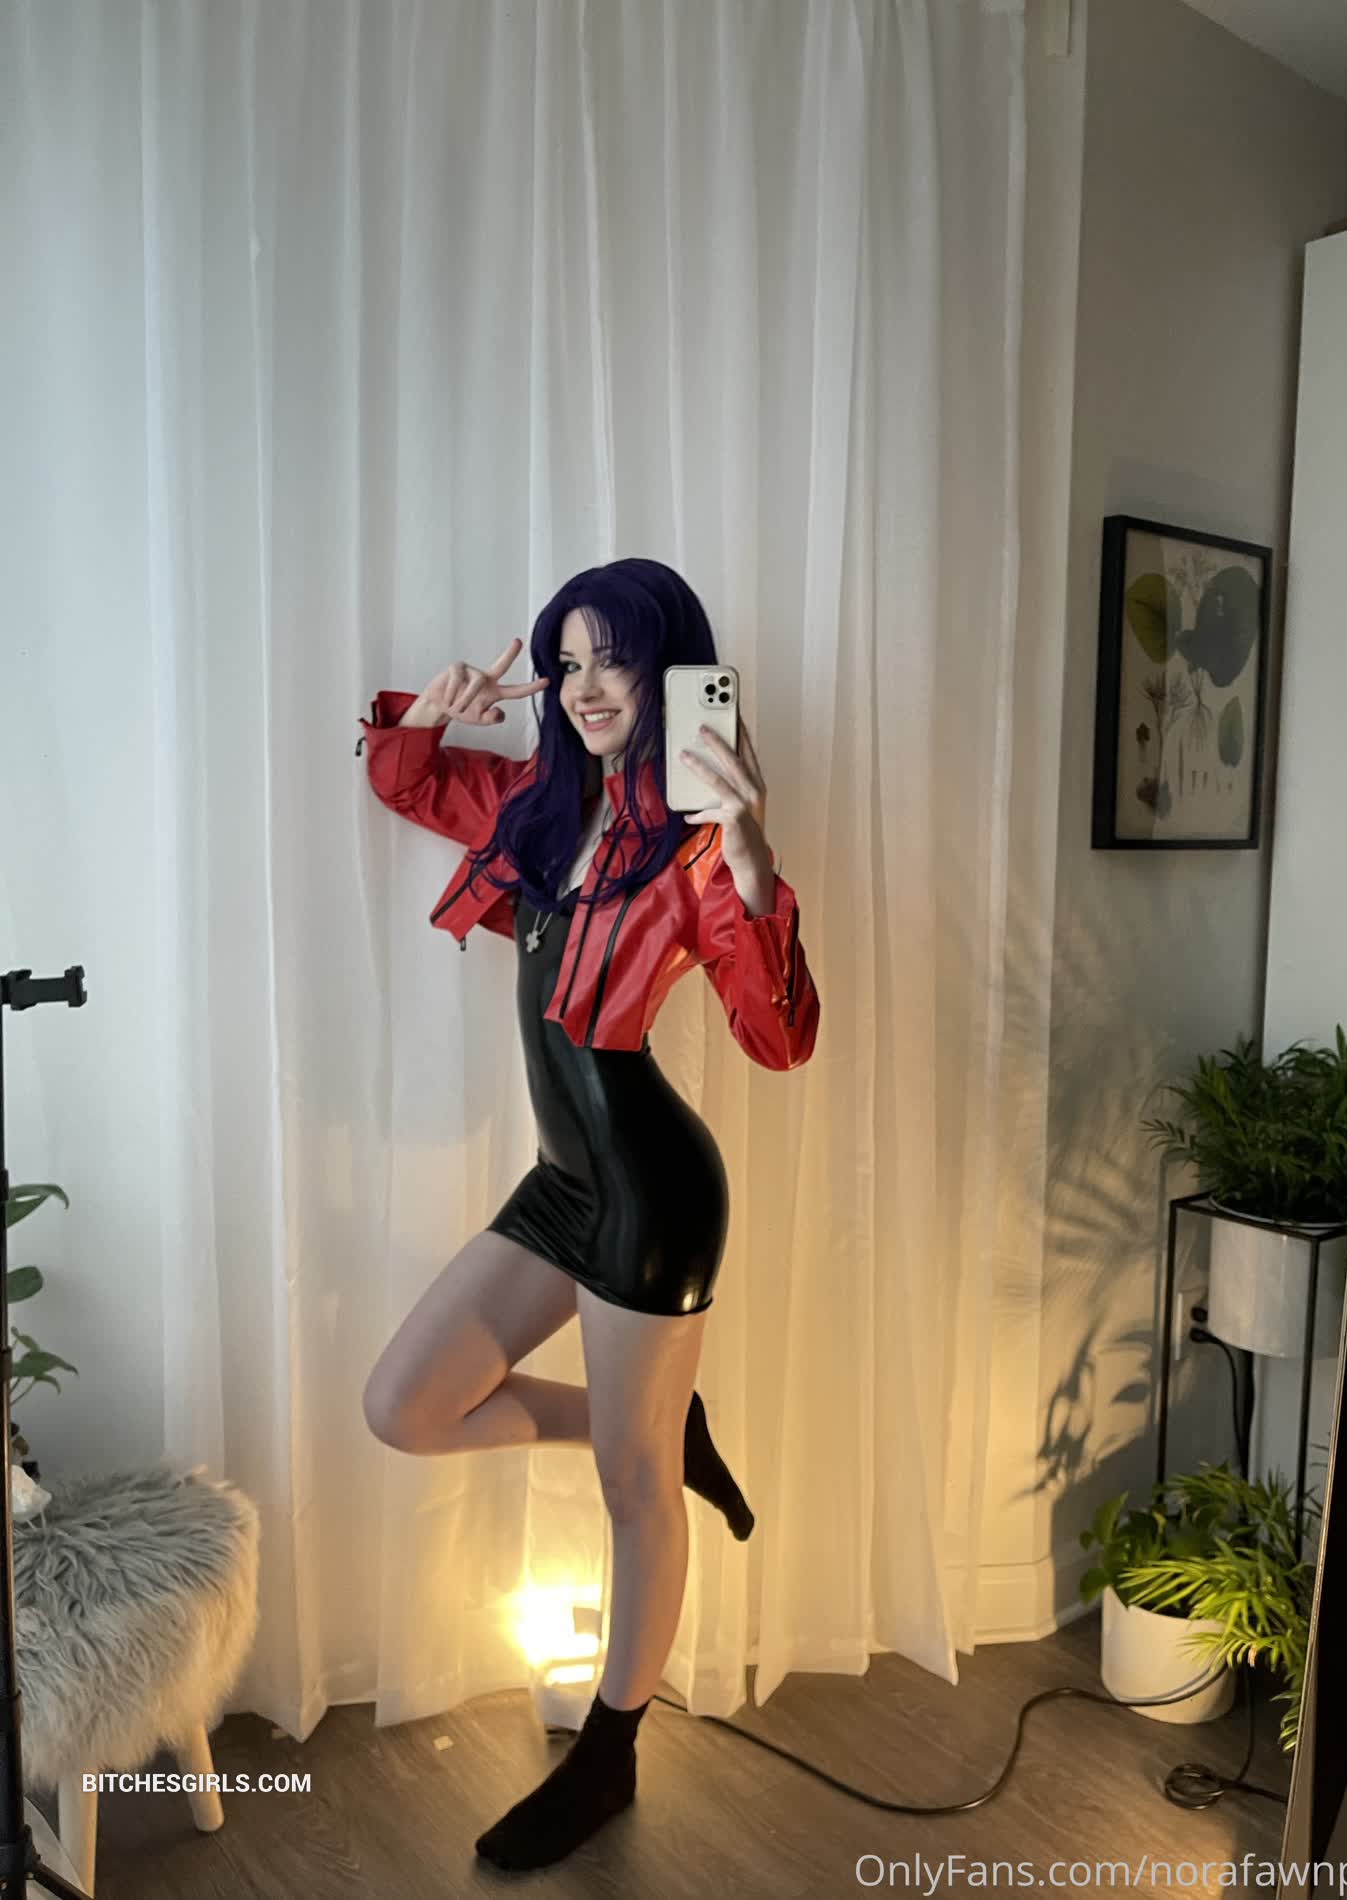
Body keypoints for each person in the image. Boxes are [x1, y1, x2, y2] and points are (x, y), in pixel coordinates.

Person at [355, 556, 819, 1871]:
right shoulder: (536, 804)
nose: (583, 686)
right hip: (564, 1186)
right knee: (405, 1406)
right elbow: (404, 779)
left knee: (633, 1494)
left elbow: (779, 1039)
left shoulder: (694, 848)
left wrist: (751, 856)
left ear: (672, 670)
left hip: (655, 1197)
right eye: (566, 663)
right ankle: (664, 1432)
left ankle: (608, 1757)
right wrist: (430, 711)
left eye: (612, 658)